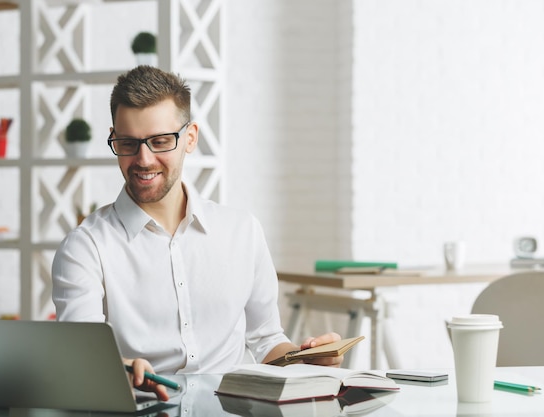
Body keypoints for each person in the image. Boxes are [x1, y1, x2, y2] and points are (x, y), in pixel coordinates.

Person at [51, 65, 342, 401]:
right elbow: (84, 357)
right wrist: (121, 368)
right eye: (128, 143)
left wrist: (307, 361)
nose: (143, 159)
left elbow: (267, 342)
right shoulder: (84, 247)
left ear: (189, 138)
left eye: (160, 141)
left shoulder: (242, 231)